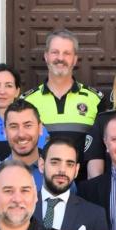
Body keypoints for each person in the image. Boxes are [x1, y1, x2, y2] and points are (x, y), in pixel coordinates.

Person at [23, 29, 103, 159]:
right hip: (39, 177)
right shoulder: (27, 101)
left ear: (75, 59)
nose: (60, 58)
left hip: (83, 178)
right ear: (46, 56)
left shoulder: (96, 99)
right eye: (55, 52)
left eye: (67, 53)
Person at [0, 99, 44, 225]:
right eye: (14, 126)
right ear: (4, 132)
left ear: (40, 129)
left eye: (28, 125)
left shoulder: (55, 177)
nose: (21, 134)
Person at [0, 63, 49, 160]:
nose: (2, 91)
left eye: (9, 86)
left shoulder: (36, 128)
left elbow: (47, 163)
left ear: (17, 91)